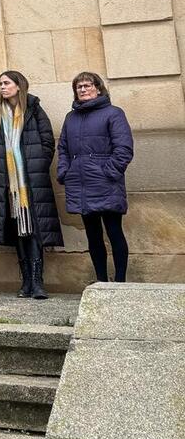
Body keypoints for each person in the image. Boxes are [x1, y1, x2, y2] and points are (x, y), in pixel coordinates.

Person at [0, 70, 63, 300]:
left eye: (7, 83)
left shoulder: (34, 108)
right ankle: (25, 280)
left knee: (34, 230)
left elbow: (47, 140)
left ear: (19, 85)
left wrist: (38, 165)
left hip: (30, 181)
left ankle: (38, 282)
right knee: (18, 230)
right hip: (7, 183)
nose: (2, 87)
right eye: (0, 84)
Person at [57, 71, 133, 283]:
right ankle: (101, 281)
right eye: (78, 87)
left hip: (106, 183)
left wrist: (107, 172)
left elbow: (124, 149)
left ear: (98, 88)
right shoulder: (70, 118)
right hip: (80, 184)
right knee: (93, 235)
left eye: (87, 85)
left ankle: (120, 282)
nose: (82, 89)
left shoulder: (113, 113)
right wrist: (65, 171)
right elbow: (62, 148)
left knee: (114, 232)